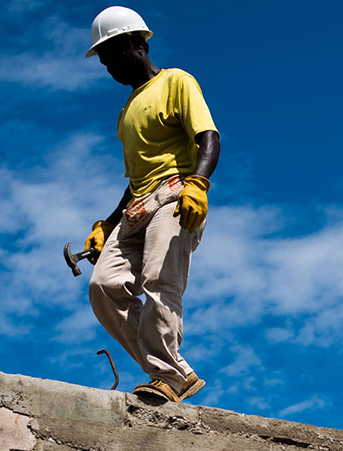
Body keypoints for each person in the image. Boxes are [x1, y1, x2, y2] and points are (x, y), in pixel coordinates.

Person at [82, 6, 220, 403]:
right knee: (103, 286)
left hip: (175, 194)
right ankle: (176, 370)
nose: (108, 65)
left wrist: (198, 184)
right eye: (103, 59)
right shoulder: (125, 114)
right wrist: (107, 224)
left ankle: (166, 376)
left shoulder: (176, 81)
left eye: (113, 54)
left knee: (159, 279)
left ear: (137, 44)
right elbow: (134, 182)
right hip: (137, 206)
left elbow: (208, 138)